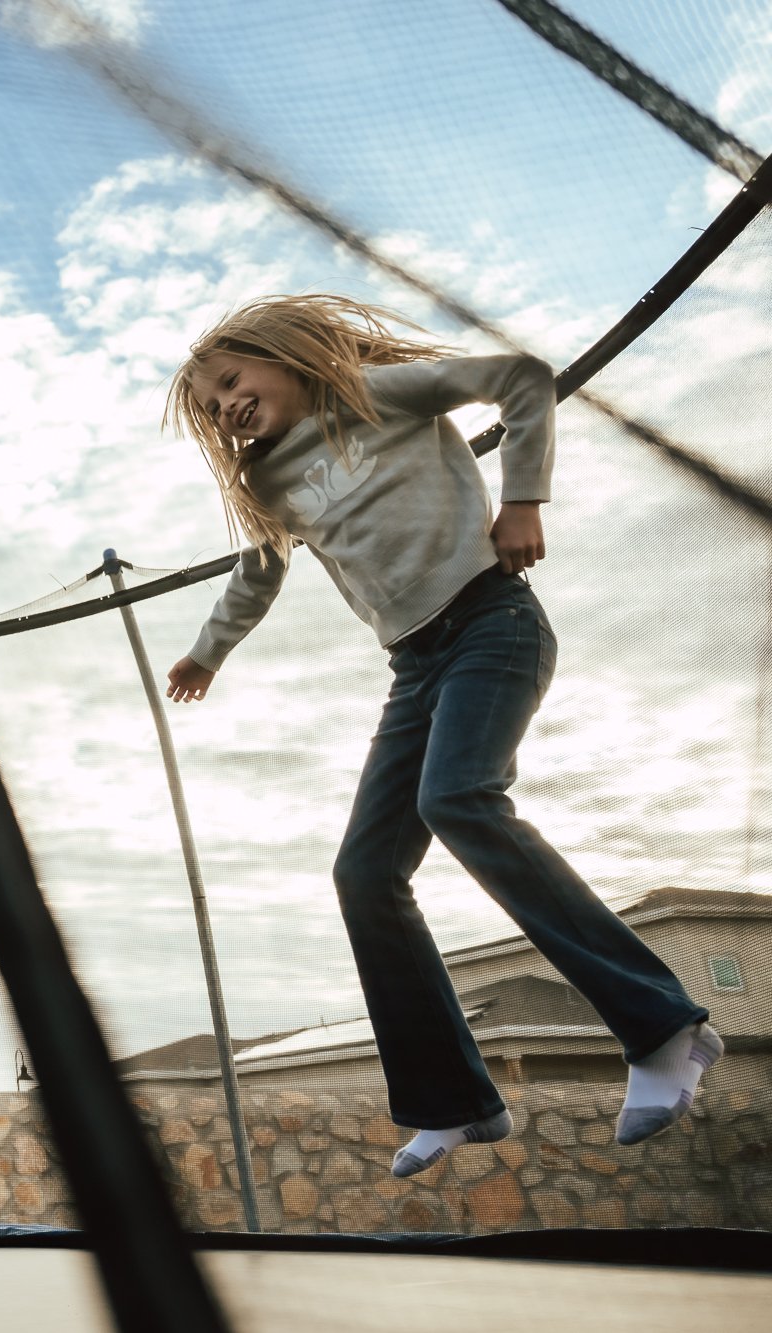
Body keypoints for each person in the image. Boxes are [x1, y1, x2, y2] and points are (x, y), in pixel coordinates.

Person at [162, 294, 721, 1178]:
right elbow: (258, 570)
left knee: (458, 796)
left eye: (231, 379)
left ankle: (665, 1026)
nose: (224, 403)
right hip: (414, 666)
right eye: (207, 404)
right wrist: (206, 654)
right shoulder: (268, 478)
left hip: (491, 621)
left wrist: (523, 501)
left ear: (283, 357)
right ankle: (454, 1102)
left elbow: (521, 381)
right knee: (365, 872)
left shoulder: (378, 393)